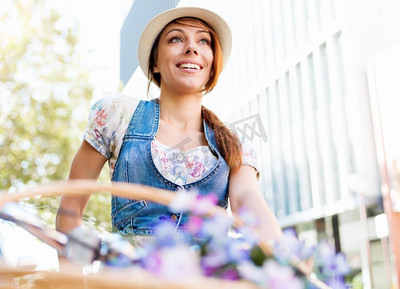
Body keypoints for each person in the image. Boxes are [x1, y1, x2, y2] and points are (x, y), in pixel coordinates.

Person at [56, 7, 282, 245]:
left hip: (202, 281)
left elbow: (246, 198)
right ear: (154, 63)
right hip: (126, 280)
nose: (191, 47)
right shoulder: (117, 114)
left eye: (203, 41)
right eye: (176, 38)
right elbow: (70, 211)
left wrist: (283, 251)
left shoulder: (233, 143)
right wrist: (75, 282)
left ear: (212, 65)